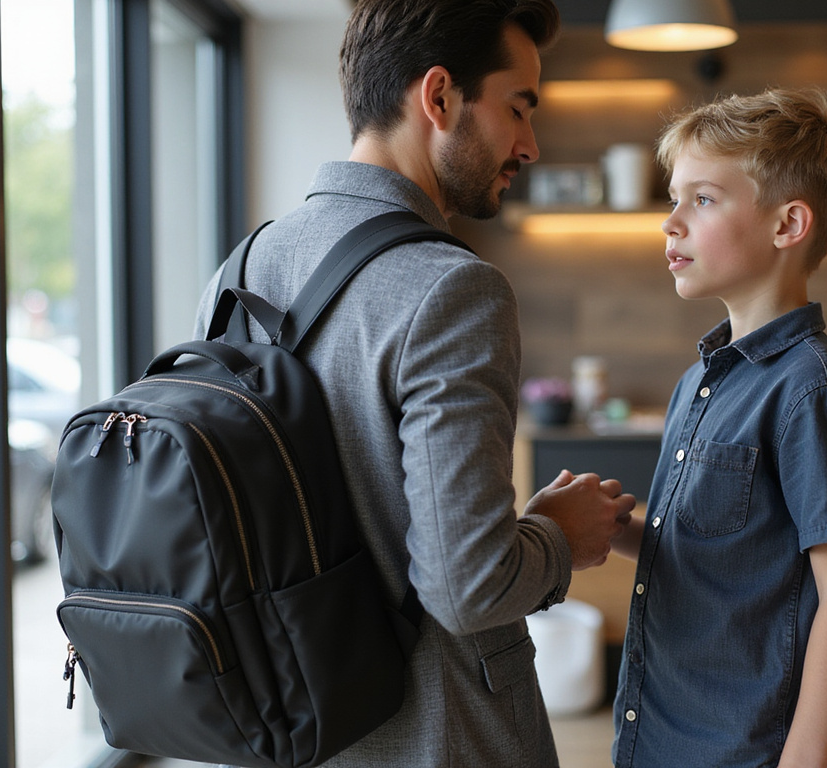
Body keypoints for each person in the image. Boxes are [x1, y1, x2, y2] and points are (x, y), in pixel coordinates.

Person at [193, 2, 636, 767]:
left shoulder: (237, 272)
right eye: (518, 108)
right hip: (439, 734)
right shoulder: (453, 290)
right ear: (438, 97)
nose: (529, 144)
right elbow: (467, 589)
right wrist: (562, 535)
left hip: (284, 726)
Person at [610, 88, 827, 768]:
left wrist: (802, 761)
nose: (670, 223)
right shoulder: (702, 379)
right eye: (673, 198)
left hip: (750, 749)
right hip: (667, 733)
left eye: (702, 199)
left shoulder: (811, 393)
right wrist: (612, 528)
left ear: (788, 224)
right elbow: (730, 556)